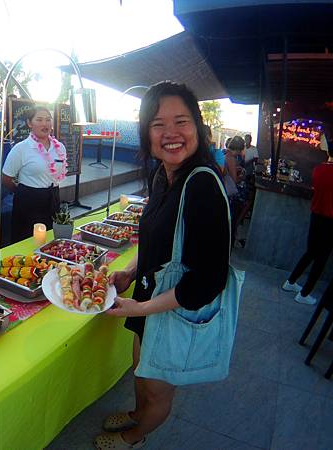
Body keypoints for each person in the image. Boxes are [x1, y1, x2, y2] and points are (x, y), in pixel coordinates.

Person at [94, 81, 230, 450]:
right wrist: (128, 273)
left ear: (198, 128)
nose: (170, 133)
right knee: (141, 368)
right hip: (148, 300)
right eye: (158, 124)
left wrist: (142, 306)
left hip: (172, 308)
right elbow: (154, 238)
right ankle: (137, 412)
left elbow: (209, 280)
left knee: (157, 390)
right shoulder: (163, 174)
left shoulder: (202, 185)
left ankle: (135, 435)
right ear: (145, 133)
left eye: (181, 121)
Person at [2, 106, 67, 243]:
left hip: (53, 197)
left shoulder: (60, 147)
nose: (45, 124)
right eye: (39, 120)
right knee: (27, 239)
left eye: (48, 120)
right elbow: (6, 178)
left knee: (51, 240)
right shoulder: (21, 149)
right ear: (29, 123)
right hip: (29, 201)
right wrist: (22, 191)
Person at [282, 138, 333, 305]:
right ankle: (304, 294)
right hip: (330, 220)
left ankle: (290, 282)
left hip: (315, 216)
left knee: (310, 252)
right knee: (321, 259)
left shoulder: (318, 170)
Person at [224, 136, 248, 246]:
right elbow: (234, 181)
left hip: (225, 192)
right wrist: (242, 176)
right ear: (239, 148)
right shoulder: (231, 158)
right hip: (231, 195)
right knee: (232, 222)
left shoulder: (225, 154)